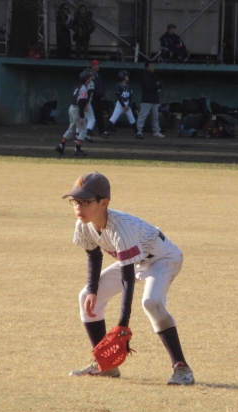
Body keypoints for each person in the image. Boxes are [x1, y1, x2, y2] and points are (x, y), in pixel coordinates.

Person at [62, 172, 194, 385]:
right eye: (76, 201)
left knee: (151, 302)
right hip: (137, 261)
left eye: (85, 201)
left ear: (104, 203)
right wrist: (94, 290)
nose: (79, 207)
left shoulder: (120, 228)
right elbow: (94, 256)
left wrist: (123, 324)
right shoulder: (83, 225)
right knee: (86, 295)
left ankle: (182, 368)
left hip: (164, 258)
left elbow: (127, 277)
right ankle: (106, 365)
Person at [56, 70, 92, 157]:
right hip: (76, 109)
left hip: (72, 108)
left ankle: (61, 145)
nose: (90, 78)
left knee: (71, 129)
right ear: (86, 79)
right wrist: (82, 116)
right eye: (89, 77)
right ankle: (77, 149)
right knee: (83, 130)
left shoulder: (79, 87)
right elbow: (81, 103)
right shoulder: (84, 88)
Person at [136, 62, 164, 139]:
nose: (153, 67)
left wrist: (155, 86)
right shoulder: (144, 76)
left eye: (153, 65)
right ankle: (139, 131)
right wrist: (156, 86)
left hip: (155, 99)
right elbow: (148, 87)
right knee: (142, 116)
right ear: (147, 67)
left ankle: (156, 131)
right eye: (151, 66)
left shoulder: (155, 75)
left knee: (155, 117)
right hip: (146, 100)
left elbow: (161, 84)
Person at [76, 67, 96, 141]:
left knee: (82, 118)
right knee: (91, 119)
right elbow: (89, 93)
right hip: (85, 102)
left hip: (78, 102)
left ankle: (78, 134)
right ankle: (87, 133)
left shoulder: (82, 83)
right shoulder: (91, 83)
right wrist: (86, 103)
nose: (93, 75)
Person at [90, 59, 108, 138]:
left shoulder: (98, 75)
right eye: (96, 65)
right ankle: (88, 130)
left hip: (99, 98)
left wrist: (102, 93)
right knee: (91, 115)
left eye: (98, 64)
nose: (98, 66)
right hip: (92, 98)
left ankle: (102, 131)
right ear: (92, 66)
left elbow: (101, 86)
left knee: (100, 114)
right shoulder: (90, 75)